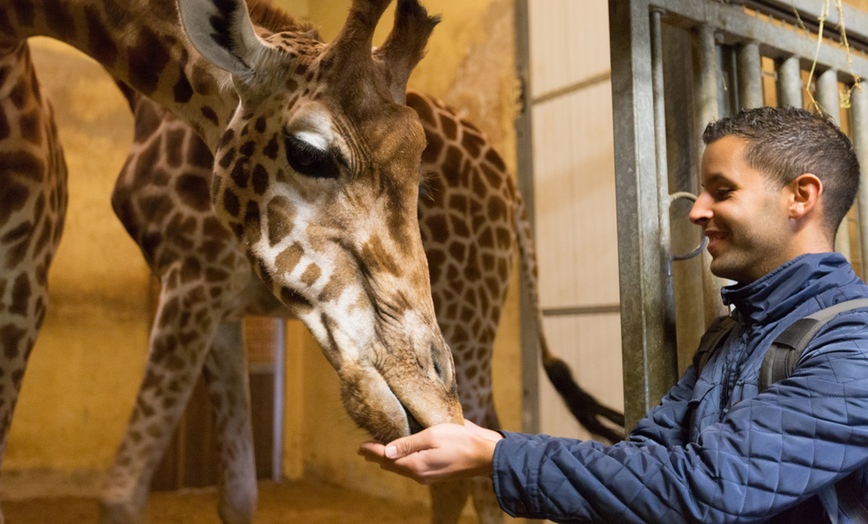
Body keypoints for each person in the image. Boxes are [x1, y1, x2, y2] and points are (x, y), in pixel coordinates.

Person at [358, 105, 868, 523]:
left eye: (723, 190)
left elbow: (709, 487)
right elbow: (645, 459)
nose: (696, 210)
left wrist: (496, 455)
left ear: (801, 196)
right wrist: (491, 446)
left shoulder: (854, 343)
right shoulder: (731, 332)